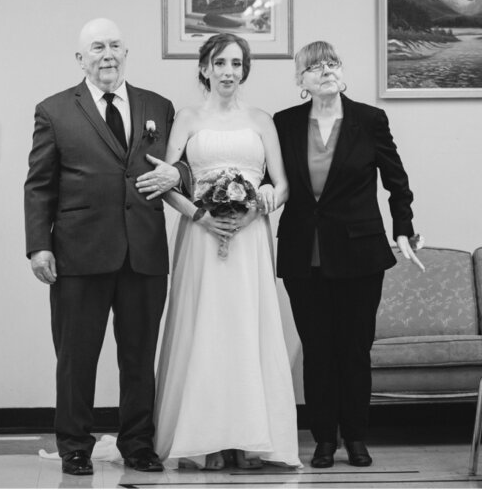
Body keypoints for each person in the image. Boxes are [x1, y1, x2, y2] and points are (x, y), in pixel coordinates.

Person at [23, 18, 185, 476]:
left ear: (126, 53)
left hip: (144, 252)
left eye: (115, 45)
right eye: (97, 47)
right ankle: (75, 445)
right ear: (81, 59)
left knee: (139, 357)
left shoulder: (158, 105)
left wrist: (180, 175)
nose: (107, 54)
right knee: (76, 356)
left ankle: (138, 444)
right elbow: (39, 185)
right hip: (78, 253)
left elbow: (182, 166)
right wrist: (39, 246)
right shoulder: (54, 110)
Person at [153, 33, 301, 470]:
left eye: (236, 64)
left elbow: (282, 182)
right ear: (204, 68)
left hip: (250, 238)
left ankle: (248, 437)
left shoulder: (261, 120)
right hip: (201, 237)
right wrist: (201, 215)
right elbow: (167, 182)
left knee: (245, 330)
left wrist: (258, 206)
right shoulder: (186, 118)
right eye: (220, 63)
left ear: (244, 70)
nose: (228, 72)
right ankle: (205, 440)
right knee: (206, 328)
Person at [273, 41, 421, 469]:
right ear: (300, 81)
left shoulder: (369, 120)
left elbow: (397, 180)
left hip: (360, 253)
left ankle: (356, 437)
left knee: (354, 349)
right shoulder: (284, 123)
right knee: (317, 350)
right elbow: (269, 180)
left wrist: (404, 228)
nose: (325, 71)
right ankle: (323, 439)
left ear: (343, 72)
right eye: (314, 67)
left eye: (332, 63)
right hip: (304, 254)